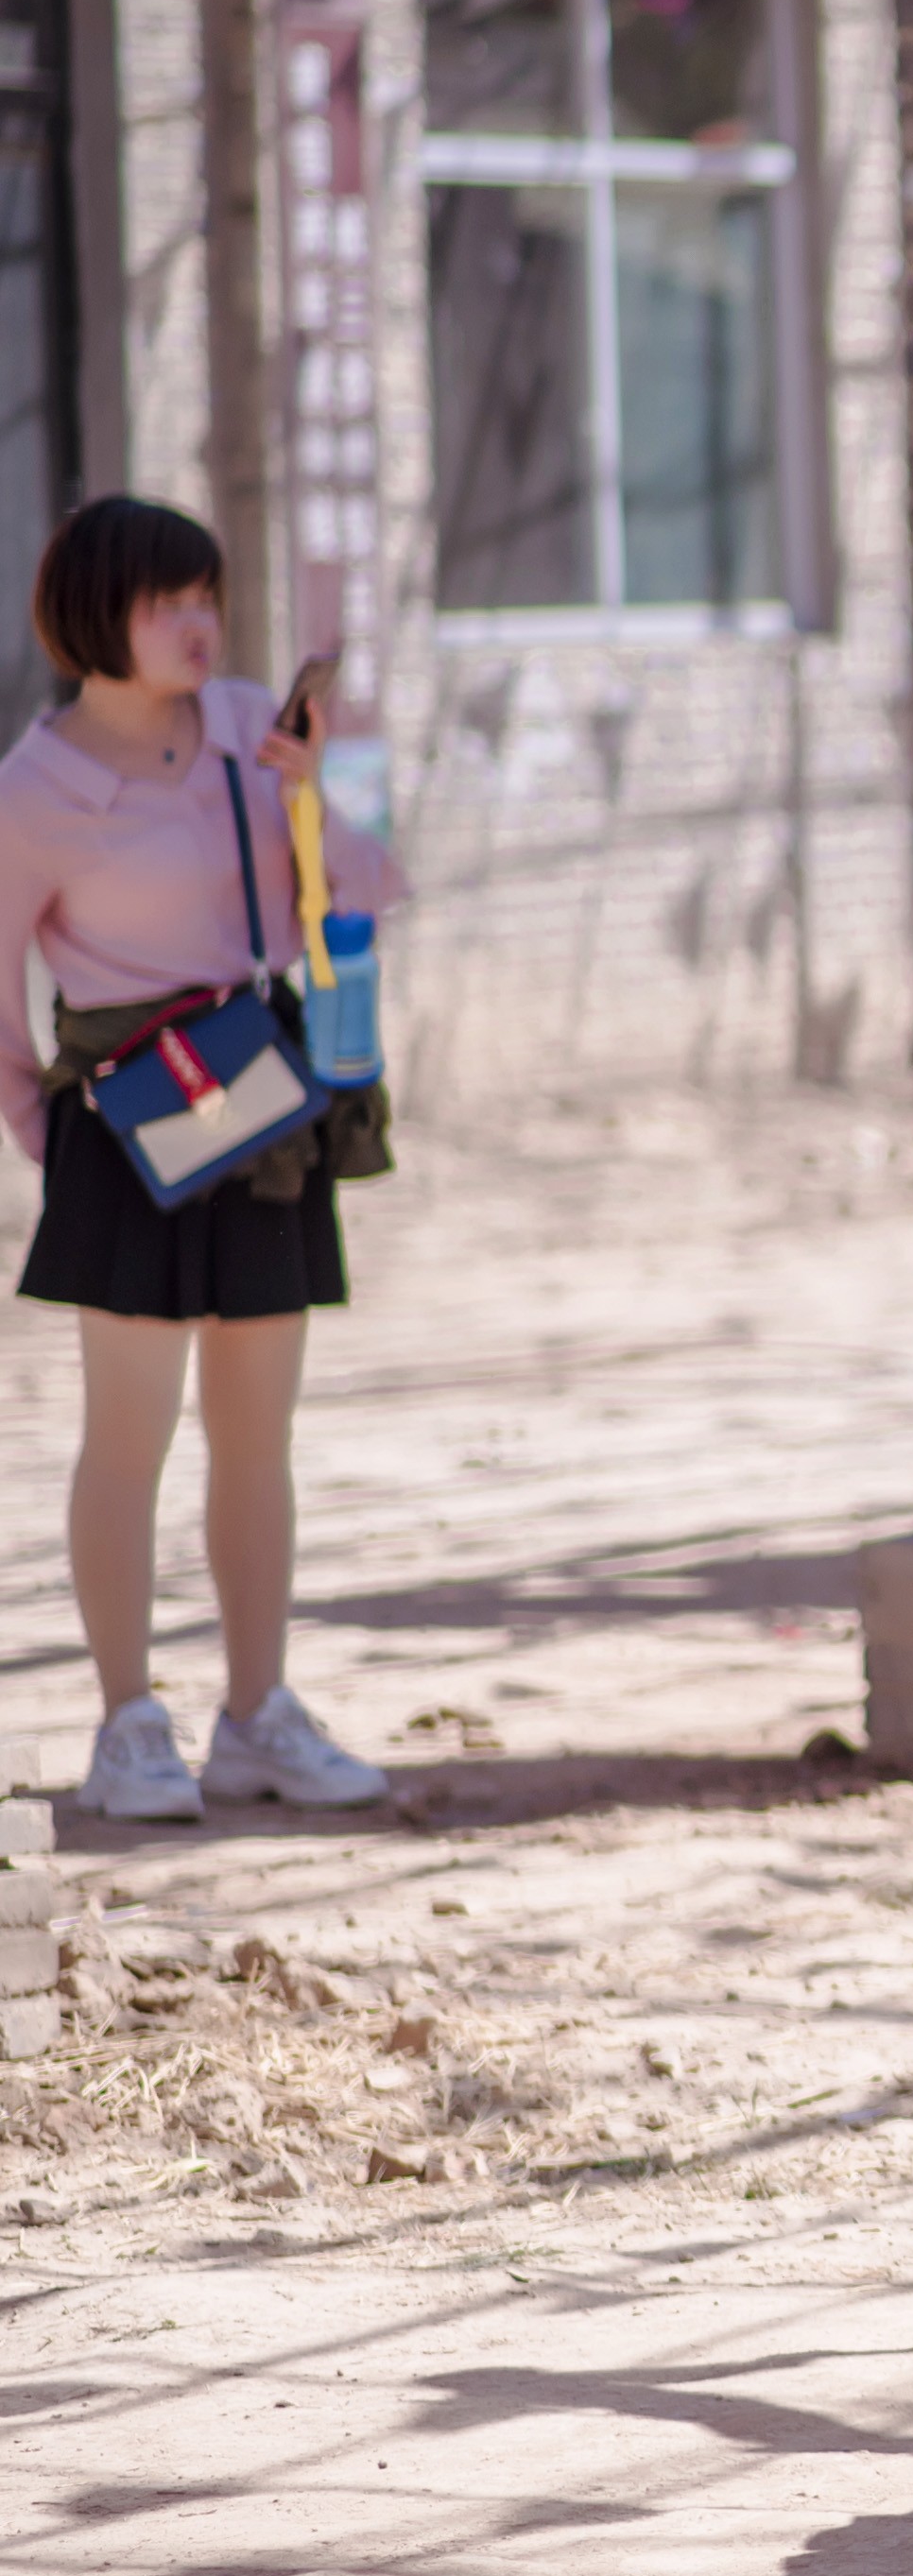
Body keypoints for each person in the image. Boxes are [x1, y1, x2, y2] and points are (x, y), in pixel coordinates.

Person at [0, 499, 406, 1822]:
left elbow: (358, 895)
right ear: (90, 619)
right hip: (125, 1129)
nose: (199, 624)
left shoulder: (247, 723)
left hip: (261, 1107)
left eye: (207, 597)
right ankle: (127, 1725)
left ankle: (257, 1715)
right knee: (130, 1435)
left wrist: (307, 790)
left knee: (257, 1433)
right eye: (166, 601)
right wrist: (46, 1134)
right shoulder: (35, 789)